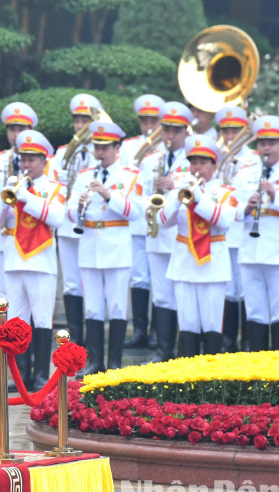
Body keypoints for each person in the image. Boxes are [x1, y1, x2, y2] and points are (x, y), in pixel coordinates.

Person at [0, 130, 66, 390]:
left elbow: (56, 218)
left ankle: (41, 372)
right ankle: (19, 374)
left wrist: (25, 196)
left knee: (42, 319)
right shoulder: (12, 187)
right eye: (24, 160)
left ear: (45, 161)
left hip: (41, 262)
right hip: (13, 260)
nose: (27, 165)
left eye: (32, 160)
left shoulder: (54, 189)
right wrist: (6, 200)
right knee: (16, 320)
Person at [68, 121, 141, 376]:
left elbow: (137, 211)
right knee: (93, 307)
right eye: (97, 147)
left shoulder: (130, 176)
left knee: (118, 307)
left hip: (117, 246)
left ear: (116, 148)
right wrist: (77, 207)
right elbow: (67, 212)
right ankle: (95, 362)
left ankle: (115, 363)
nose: (100, 153)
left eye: (105, 147)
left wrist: (109, 196)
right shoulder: (83, 176)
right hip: (90, 246)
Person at [156, 135, 236, 356]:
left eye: (203, 162)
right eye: (194, 162)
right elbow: (162, 222)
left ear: (214, 165)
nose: (197, 167)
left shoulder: (225, 192)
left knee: (211, 324)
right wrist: (175, 196)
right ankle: (186, 382)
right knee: (187, 324)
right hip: (184, 264)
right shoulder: (180, 191)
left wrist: (200, 198)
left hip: (212, 265)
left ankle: (211, 382)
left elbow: (225, 221)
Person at [138, 101, 193, 363]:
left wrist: (175, 184)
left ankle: (184, 350)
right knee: (160, 293)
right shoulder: (151, 160)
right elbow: (139, 194)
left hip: (181, 236)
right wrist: (148, 208)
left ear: (185, 132)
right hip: (156, 232)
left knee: (180, 292)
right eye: (166, 130)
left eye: (175, 131)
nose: (169, 136)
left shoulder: (193, 160)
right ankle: (163, 349)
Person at [0, 102, 38, 368]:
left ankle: (25, 355)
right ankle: (6, 348)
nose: (16, 133)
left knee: (27, 297)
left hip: (30, 237)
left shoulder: (40, 162)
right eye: (12, 128)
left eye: (22, 128)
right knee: (4, 295)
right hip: (3, 235)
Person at [49, 93, 103, 347]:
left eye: (86, 120)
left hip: (92, 225)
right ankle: (74, 338)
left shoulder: (101, 152)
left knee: (88, 282)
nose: (81, 125)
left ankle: (91, 341)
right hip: (67, 222)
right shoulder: (62, 152)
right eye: (78, 120)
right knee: (71, 282)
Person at [233, 115, 279, 351]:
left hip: (278, 252)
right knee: (254, 310)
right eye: (262, 142)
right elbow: (230, 206)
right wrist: (246, 207)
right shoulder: (245, 173)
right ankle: (257, 371)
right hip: (250, 251)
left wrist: (275, 195)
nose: (265, 147)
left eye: (271, 142)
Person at [120, 94, 164, 351]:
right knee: (139, 277)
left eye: (153, 120)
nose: (149, 125)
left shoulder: (169, 149)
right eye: (144, 119)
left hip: (161, 219)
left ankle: (159, 332)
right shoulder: (128, 147)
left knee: (159, 279)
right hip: (138, 221)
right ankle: (139, 330)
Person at [214, 106, 259, 353]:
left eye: (235, 130)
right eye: (226, 130)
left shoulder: (253, 159)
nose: (230, 135)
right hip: (223, 230)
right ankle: (228, 341)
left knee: (245, 288)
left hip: (244, 230)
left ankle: (249, 342)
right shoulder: (216, 155)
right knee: (228, 289)